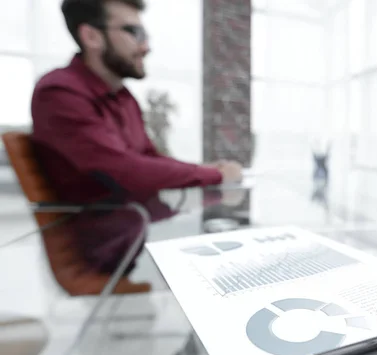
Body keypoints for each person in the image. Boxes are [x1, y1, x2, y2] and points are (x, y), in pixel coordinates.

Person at [29, 0, 242, 274]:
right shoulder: (59, 93)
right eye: (135, 33)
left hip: (139, 234)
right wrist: (216, 176)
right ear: (92, 36)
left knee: (236, 250)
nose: (145, 46)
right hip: (102, 254)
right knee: (230, 265)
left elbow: (148, 157)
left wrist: (206, 171)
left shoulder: (124, 98)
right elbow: (126, 170)